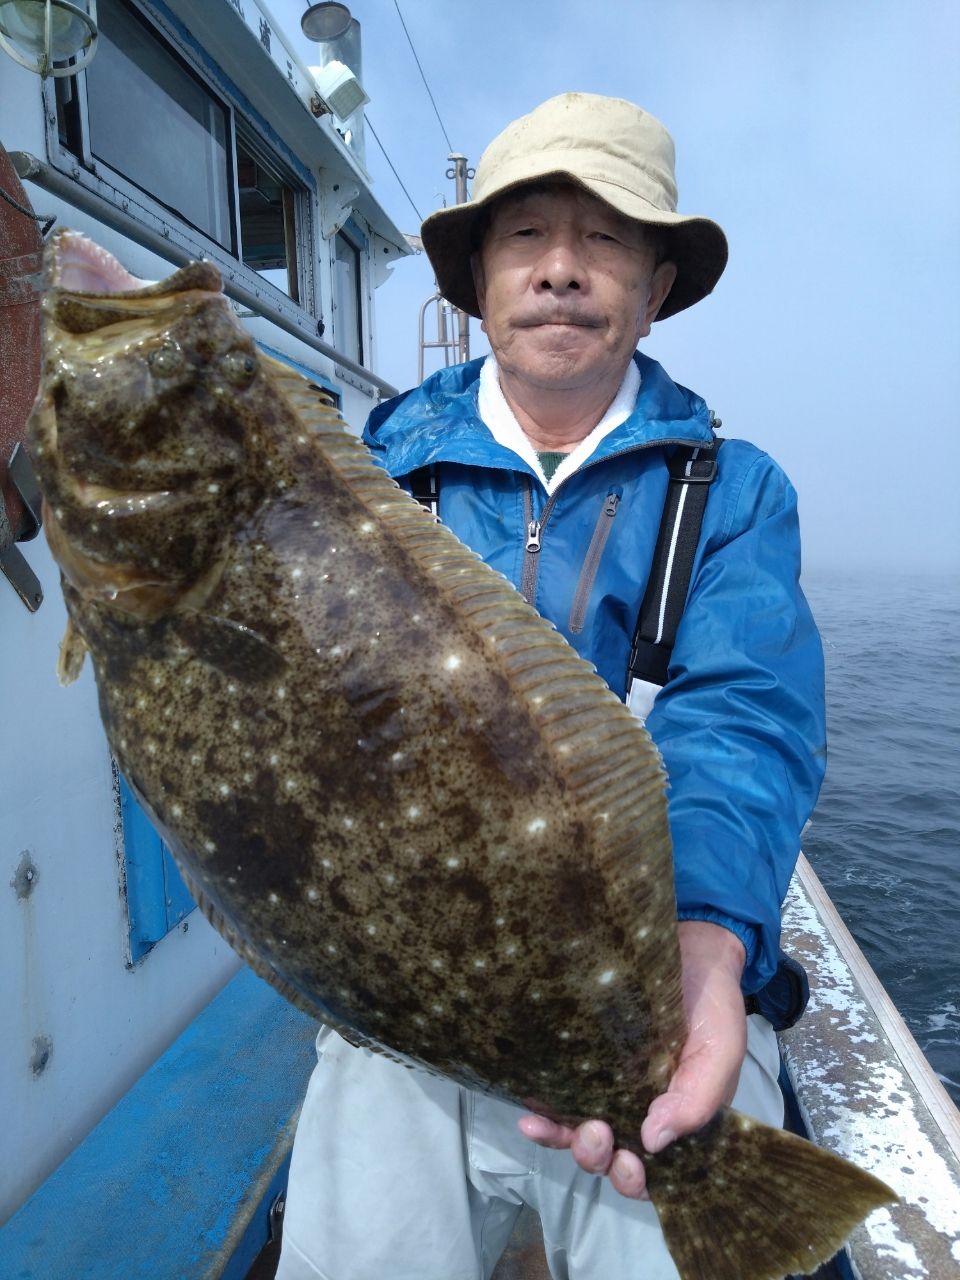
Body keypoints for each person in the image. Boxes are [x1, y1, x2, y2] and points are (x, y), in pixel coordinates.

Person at [276, 92, 825, 1280]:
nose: (563, 270)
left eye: (608, 237)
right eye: (526, 236)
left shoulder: (732, 491)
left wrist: (706, 951)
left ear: (657, 282)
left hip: (642, 982)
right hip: (405, 999)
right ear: (477, 277)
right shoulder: (364, 473)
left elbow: (741, 721)